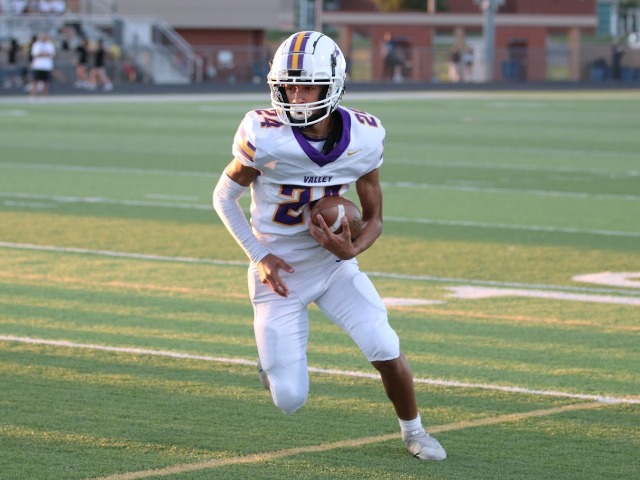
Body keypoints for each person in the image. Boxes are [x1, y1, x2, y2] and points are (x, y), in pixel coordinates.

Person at [212, 31, 446, 462]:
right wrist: (259, 256)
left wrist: (351, 251)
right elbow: (223, 197)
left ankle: (415, 431)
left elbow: (375, 219)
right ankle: (269, 363)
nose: (296, 97)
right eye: (289, 86)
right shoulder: (264, 134)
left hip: (333, 266)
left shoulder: (365, 136)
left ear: (333, 86)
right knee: (289, 399)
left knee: (383, 343)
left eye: (308, 87)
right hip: (279, 274)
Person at [29, 32, 56, 97]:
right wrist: (45, 54)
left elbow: (51, 54)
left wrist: (42, 54)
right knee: (35, 81)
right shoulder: (36, 44)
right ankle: (32, 95)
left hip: (47, 66)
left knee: (45, 82)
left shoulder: (50, 45)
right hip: (37, 66)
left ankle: (43, 96)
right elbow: (35, 54)